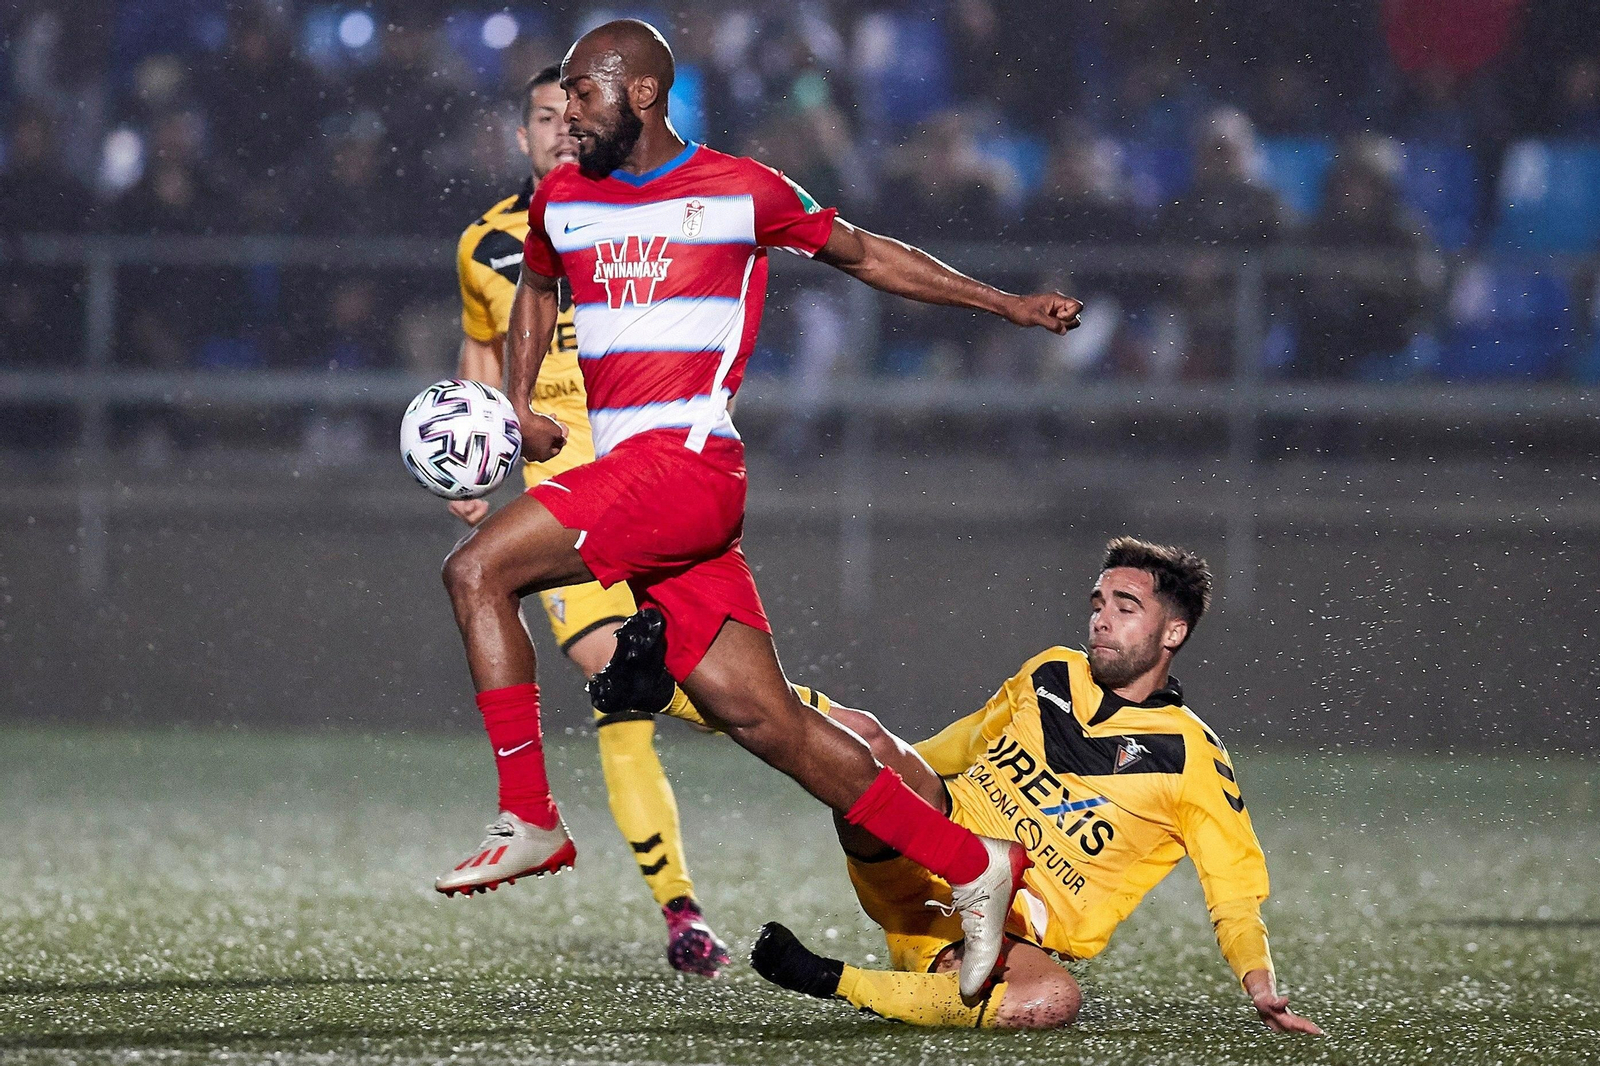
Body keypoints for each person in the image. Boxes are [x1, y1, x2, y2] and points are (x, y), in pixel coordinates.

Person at [439, 18, 1082, 1000]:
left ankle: (529, 814)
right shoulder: (564, 198)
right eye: (558, 98)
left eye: (582, 94)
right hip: (644, 483)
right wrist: (521, 404)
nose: (565, 115)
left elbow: (867, 256)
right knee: (766, 722)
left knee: (478, 569)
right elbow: (534, 288)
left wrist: (1005, 305)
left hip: (686, 467)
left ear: (643, 96)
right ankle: (974, 863)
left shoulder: (739, 190)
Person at [743, 538, 1322, 1034]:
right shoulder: (1051, 672)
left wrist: (1259, 979)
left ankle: (829, 978)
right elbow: (953, 749)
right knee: (866, 739)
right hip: (918, 850)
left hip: (988, 943)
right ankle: (687, 691)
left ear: (1173, 631)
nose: (1101, 618)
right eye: (1098, 603)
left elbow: (1235, 892)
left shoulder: (1192, 757)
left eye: (1126, 607)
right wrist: (880, 761)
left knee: (1053, 999)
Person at [435, 65, 730, 977]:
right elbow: (482, 349)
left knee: (713, 691)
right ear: (520, 133)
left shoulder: (644, 212)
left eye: (574, 114)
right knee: (619, 689)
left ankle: (819, 730)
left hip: (658, 472)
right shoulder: (485, 244)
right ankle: (680, 909)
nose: (561, 129)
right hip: (564, 488)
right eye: (542, 116)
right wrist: (475, 452)